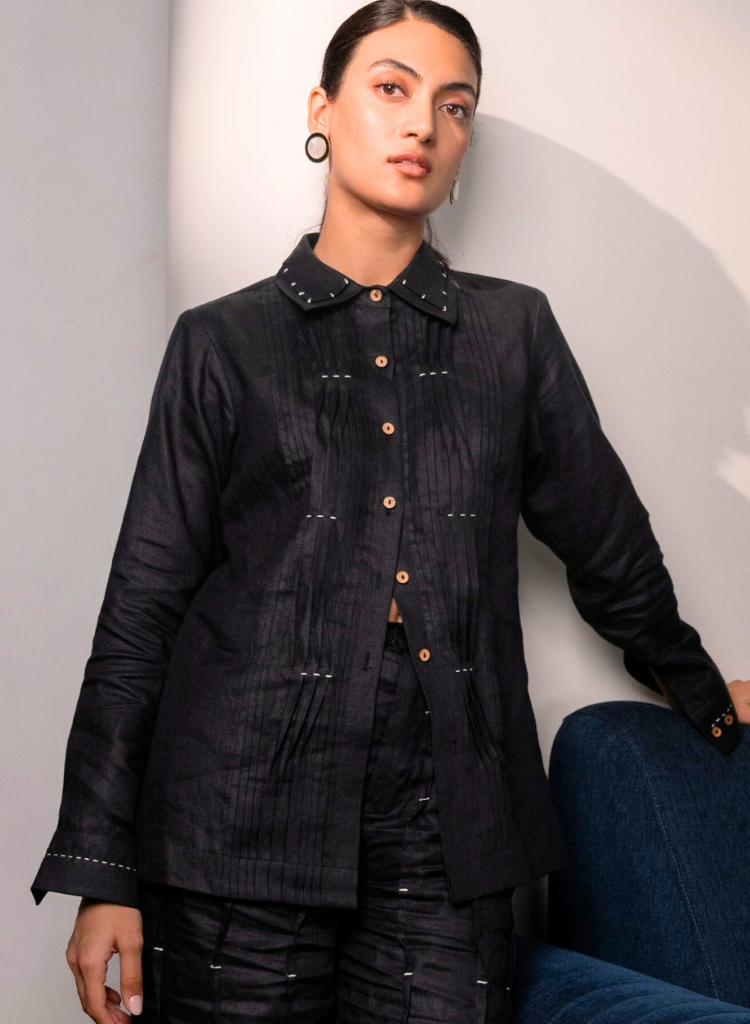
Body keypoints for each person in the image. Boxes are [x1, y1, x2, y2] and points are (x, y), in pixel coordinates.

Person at [30, 2, 747, 1022]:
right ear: (322, 110)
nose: (423, 124)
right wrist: (103, 871)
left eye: (456, 106)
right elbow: (142, 610)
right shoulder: (222, 342)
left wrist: (705, 696)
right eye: (392, 88)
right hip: (234, 820)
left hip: (452, 825)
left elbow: (609, 545)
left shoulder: (514, 333)